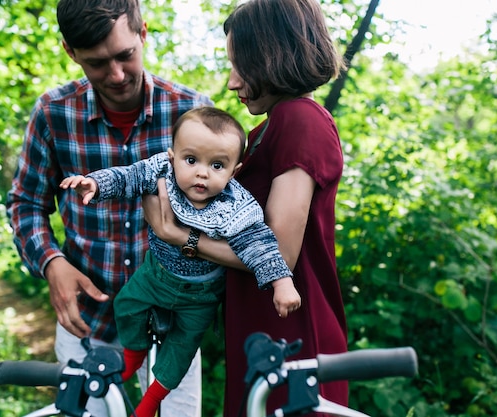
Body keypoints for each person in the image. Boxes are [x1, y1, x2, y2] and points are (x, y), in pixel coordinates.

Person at [5, 0, 213, 415]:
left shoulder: (191, 112)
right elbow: (26, 203)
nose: (116, 75)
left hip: (172, 323)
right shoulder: (53, 113)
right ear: (71, 52)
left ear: (143, 34)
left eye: (125, 56)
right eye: (97, 63)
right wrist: (51, 263)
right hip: (90, 324)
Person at [142, 0, 349, 415]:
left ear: (273, 58)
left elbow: (280, 252)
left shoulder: (299, 120)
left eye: (242, 65)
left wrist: (179, 237)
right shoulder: (267, 129)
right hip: (260, 328)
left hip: (290, 331)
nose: (234, 82)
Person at [60, 106, 302, 417]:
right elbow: (129, 176)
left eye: (217, 165)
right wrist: (96, 184)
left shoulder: (236, 206)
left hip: (200, 296)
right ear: (172, 157)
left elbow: (261, 245)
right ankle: (134, 354)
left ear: (234, 171)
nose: (202, 173)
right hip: (156, 274)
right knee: (127, 306)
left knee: (181, 351)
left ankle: (149, 404)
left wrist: (282, 284)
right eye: (191, 160)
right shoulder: (161, 171)